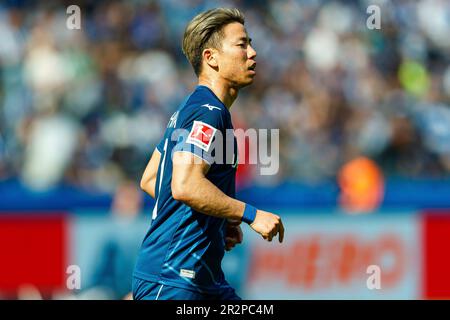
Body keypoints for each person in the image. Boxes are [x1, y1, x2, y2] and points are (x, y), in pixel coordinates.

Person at [132, 7, 284, 300]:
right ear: (211, 58)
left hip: (200, 279)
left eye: (250, 43)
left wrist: (217, 219)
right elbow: (184, 185)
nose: (252, 53)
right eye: (242, 44)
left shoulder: (190, 109)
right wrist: (249, 214)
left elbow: (152, 178)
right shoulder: (208, 113)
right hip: (174, 278)